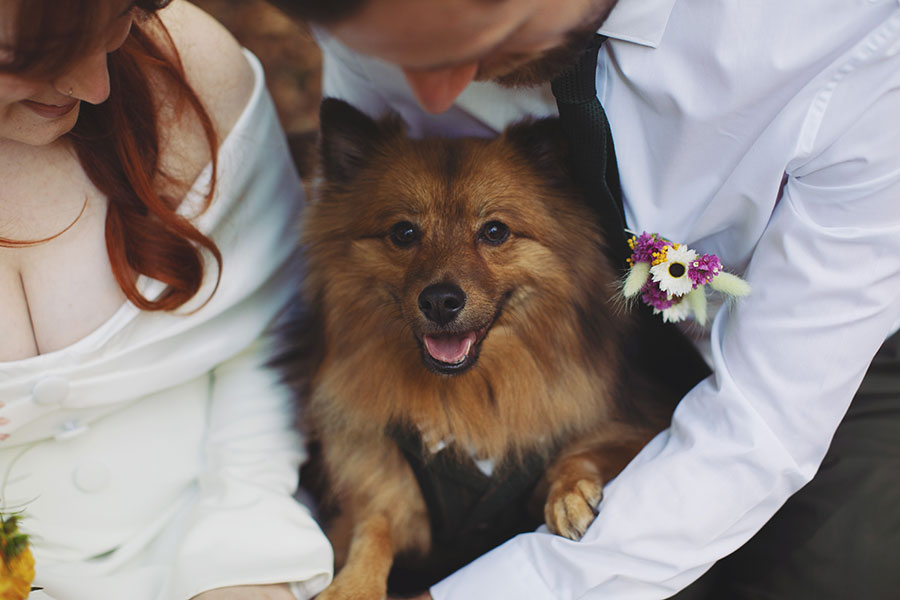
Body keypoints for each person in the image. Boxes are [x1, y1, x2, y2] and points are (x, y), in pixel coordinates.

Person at [267, 0, 900, 598]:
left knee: (840, 571)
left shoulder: (855, 49)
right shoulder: (391, 18)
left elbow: (764, 425)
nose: (436, 96)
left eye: (475, 44)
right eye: (410, 60)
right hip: (549, 342)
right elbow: (365, 218)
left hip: (824, 353)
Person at [0, 1, 332, 598]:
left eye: (118, 23)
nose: (95, 87)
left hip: (220, 536)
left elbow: (266, 328)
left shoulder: (184, 66)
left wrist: (245, 556)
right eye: (26, 58)